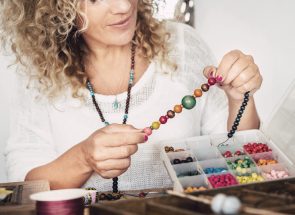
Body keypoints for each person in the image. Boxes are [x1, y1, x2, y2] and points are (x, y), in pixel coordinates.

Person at [1, 0, 262, 192]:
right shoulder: (38, 74)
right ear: (55, 7)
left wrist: (239, 100)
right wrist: (83, 158)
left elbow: (237, 162)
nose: (124, 6)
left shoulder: (182, 45)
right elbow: (23, 189)